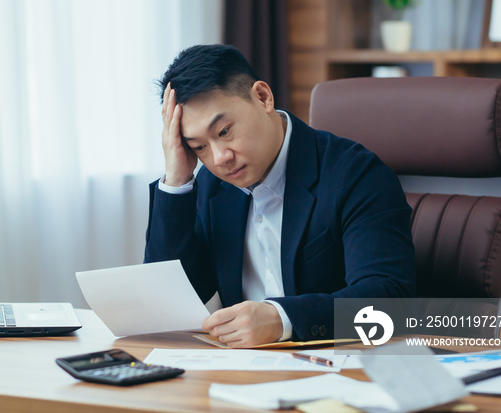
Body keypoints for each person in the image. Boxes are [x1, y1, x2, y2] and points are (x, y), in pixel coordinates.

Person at [144, 44, 415, 347]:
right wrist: (177, 181)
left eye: (224, 132)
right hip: (245, 374)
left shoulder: (355, 173)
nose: (220, 158)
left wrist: (281, 318)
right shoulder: (210, 187)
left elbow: (389, 298)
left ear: (262, 97)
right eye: (199, 147)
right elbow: (166, 297)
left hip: (343, 365)